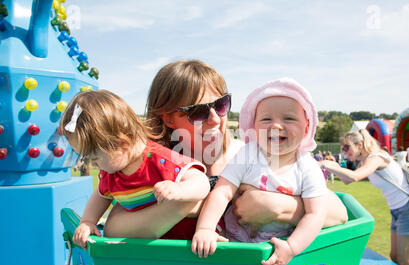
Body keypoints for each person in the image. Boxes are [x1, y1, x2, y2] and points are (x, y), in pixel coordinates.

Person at [102, 59, 347, 242]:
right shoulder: (153, 165)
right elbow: (115, 227)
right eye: (197, 111)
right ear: (168, 119)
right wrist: (188, 203)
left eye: (221, 105)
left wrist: (279, 207)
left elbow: (338, 213)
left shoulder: (253, 154)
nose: (215, 119)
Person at [191, 78, 348, 265]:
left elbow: (316, 213)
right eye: (266, 119)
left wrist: (291, 247)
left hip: (278, 249)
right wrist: (205, 228)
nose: (276, 126)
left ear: (307, 127)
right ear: (254, 127)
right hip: (234, 244)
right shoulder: (248, 154)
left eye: (289, 118)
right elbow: (222, 192)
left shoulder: (307, 167)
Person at [58, 90, 212, 248]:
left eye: (94, 158)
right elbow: (101, 196)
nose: (93, 165)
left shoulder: (159, 160)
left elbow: (201, 182)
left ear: (121, 143)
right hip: (146, 249)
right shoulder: (112, 173)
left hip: (181, 245)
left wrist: (179, 189)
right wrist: (88, 221)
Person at [320, 129, 409, 265]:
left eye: (347, 147)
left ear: (359, 145)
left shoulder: (376, 158)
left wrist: (328, 165)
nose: (344, 152)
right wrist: (333, 167)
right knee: (394, 257)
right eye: (342, 148)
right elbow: (346, 181)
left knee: (404, 260)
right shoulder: (365, 160)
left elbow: (355, 176)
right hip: (397, 210)